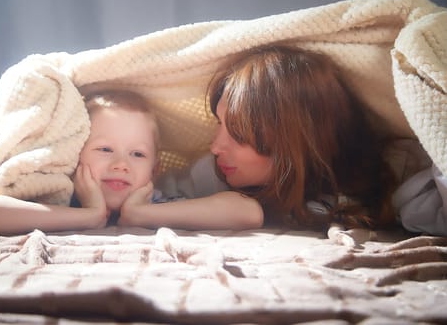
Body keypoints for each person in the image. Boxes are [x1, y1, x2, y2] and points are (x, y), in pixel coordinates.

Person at [119, 45, 398, 231]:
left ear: (293, 139)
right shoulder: (210, 174)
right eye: (219, 124)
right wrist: (137, 212)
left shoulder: (390, 181)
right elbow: (243, 209)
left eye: (238, 134)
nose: (215, 147)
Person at [0, 90, 162, 234]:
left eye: (137, 154)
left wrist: (139, 213)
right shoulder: (59, 199)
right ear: (73, 153)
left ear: (154, 170)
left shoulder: (160, 205)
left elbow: (196, 211)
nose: (121, 164)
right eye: (105, 149)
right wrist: (91, 215)